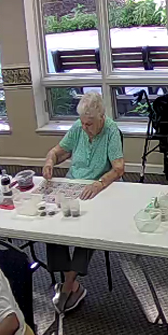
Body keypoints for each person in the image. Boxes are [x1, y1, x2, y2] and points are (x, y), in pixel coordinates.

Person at [41, 92, 124, 313]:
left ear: (101, 117)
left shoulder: (111, 131)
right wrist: (50, 161)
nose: (85, 127)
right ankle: (72, 283)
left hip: (100, 188)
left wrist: (98, 183)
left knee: (88, 228)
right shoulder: (79, 126)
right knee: (52, 224)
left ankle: (68, 284)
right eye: (83, 123)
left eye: (89, 123)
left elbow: (118, 168)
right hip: (74, 184)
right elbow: (59, 151)